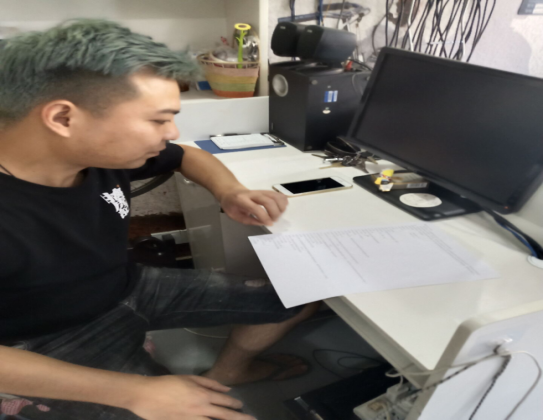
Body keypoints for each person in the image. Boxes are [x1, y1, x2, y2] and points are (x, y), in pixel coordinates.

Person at [0, 20, 320, 420]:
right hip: (43, 338)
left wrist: (229, 191)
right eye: (158, 120)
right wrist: (134, 393)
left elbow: (186, 155)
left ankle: (229, 371)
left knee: (303, 290)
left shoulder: (97, 153)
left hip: (128, 285)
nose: (171, 132)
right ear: (63, 118)